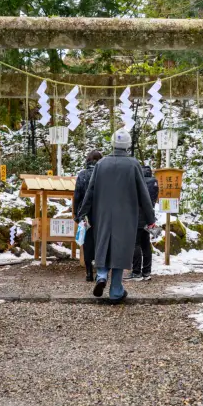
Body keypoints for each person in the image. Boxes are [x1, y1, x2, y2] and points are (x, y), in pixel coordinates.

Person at [76, 129, 156, 303]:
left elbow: (90, 191)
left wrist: (82, 213)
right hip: (127, 215)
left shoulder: (101, 164)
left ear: (112, 143)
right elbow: (144, 194)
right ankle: (116, 290)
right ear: (127, 145)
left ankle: (102, 275)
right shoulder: (133, 164)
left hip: (102, 213)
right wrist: (151, 220)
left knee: (103, 244)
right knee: (121, 251)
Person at [73, 150, 103, 282]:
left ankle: (89, 272)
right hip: (101, 213)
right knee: (100, 241)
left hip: (85, 214)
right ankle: (100, 272)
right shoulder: (104, 174)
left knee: (87, 242)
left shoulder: (83, 175)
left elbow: (77, 196)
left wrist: (76, 214)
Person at [129, 165, 160, 281]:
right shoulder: (154, 183)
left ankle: (136, 272)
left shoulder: (138, 183)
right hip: (149, 217)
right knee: (146, 244)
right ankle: (147, 272)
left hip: (136, 217)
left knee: (135, 244)